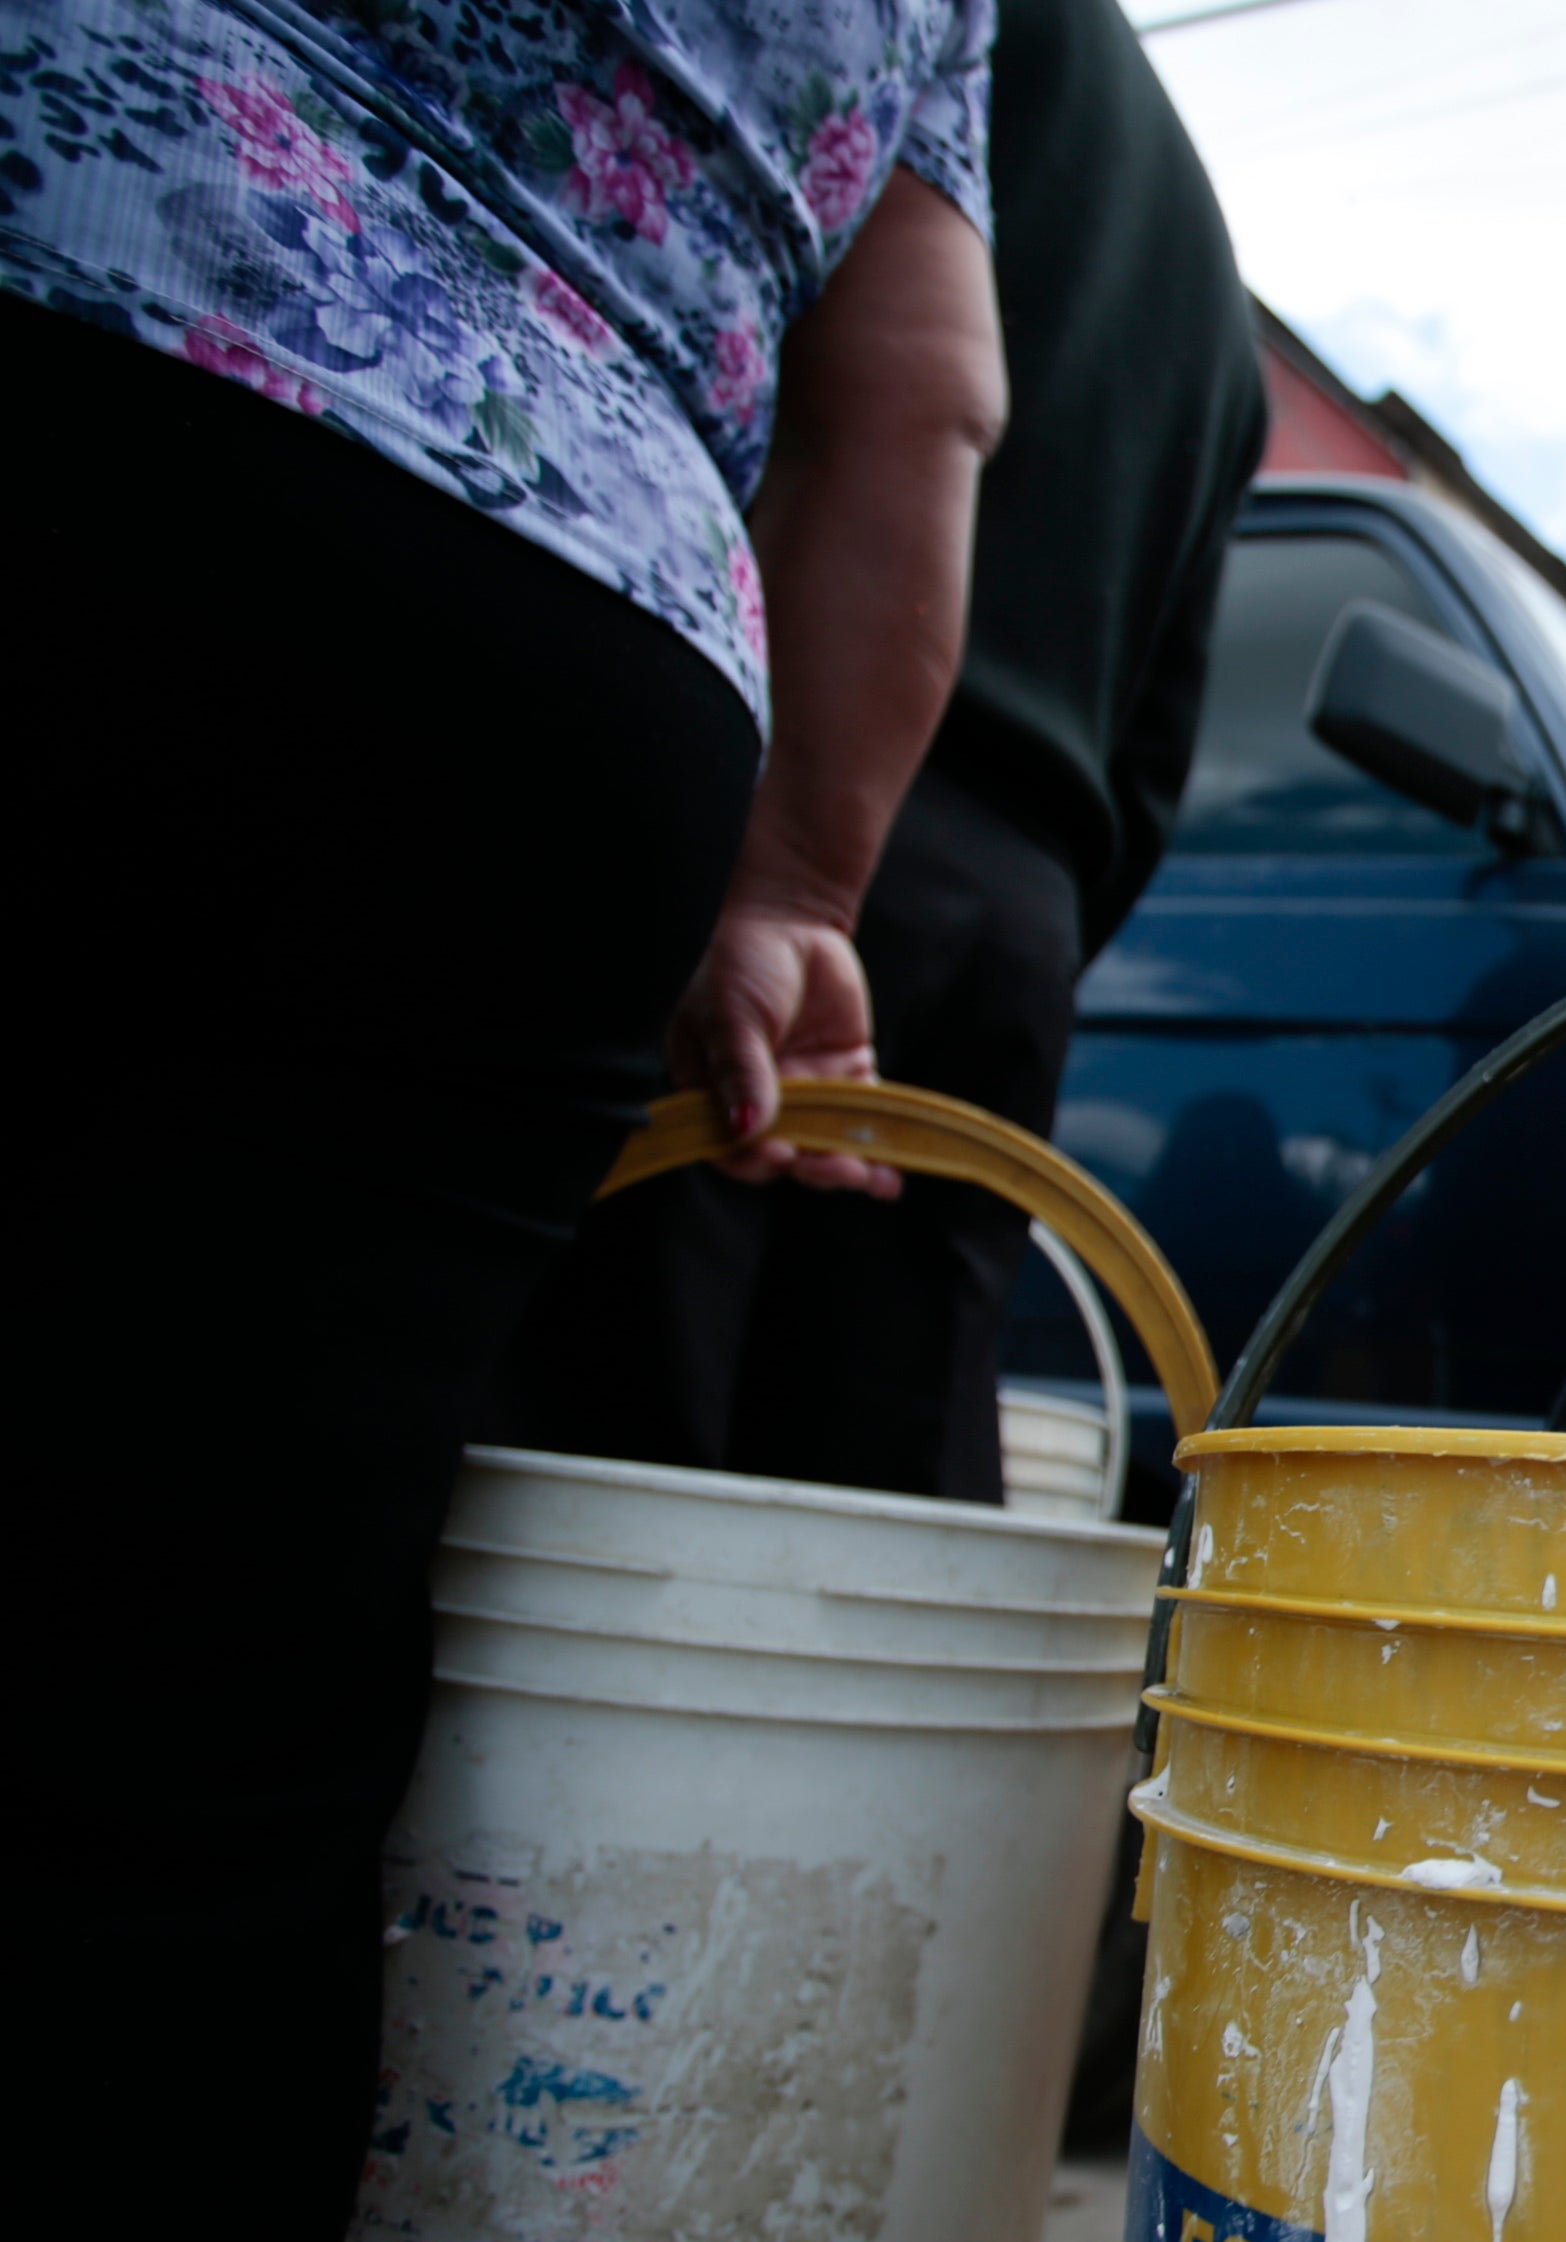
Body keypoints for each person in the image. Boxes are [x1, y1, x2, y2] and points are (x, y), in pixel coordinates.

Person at [0, 5, 1005, 2242]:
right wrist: (792, 876)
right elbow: (924, 399)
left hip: (70, 274)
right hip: (539, 637)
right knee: (210, 1767)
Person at [486, 0, 1266, 1506]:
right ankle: (894, 1747)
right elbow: (1166, 713)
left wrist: (789, 846)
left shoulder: (933, 40)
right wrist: (1027, 923)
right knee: (904, 1439)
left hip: (781, 792)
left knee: (625, 1440)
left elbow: (836, 383)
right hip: (1016, 910)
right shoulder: (1202, 258)